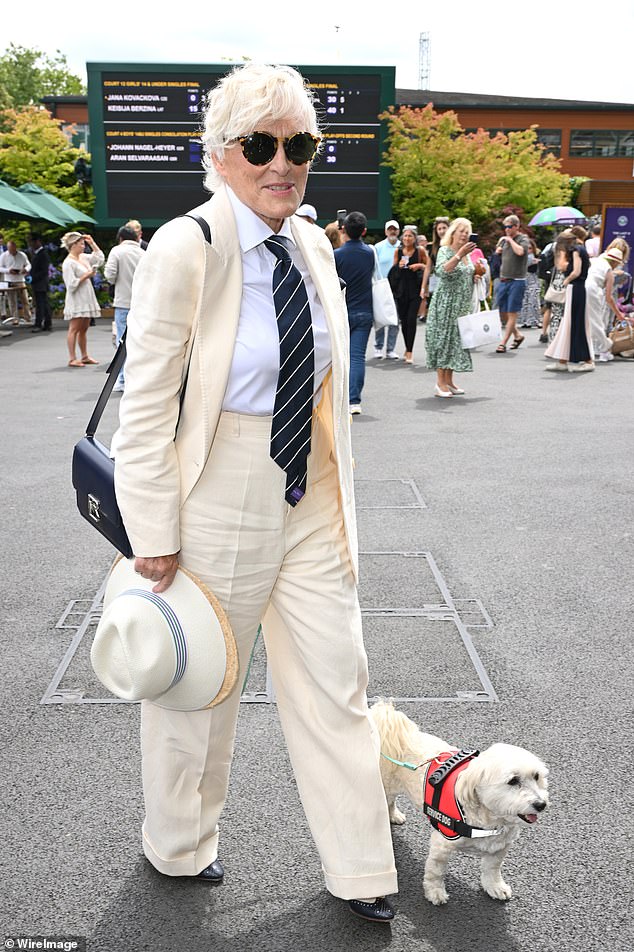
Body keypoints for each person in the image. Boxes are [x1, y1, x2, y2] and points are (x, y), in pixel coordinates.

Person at [112, 62, 398, 924]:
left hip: (307, 484)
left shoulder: (312, 242)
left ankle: (361, 868)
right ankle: (180, 843)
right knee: (200, 683)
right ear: (219, 153)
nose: (283, 162)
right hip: (217, 484)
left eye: (300, 143)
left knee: (336, 680)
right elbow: (147, 405)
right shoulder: (185, 246)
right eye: (260, 144)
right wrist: (151, 530)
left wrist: (337, 486)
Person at [425, 217, 477, 397]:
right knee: (443, 340)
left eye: (467, 232)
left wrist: (476, 275)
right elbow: (441, 271)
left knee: (455, 342)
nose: (464, 235)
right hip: (446, 304)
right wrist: (459, 255)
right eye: (461, 231)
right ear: (453, 233)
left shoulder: (468, 254)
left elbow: (465, 274)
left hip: (461, 304)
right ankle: (440, 383)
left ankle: (449, 380)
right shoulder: (445, 250)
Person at [334, 211, 375, 413]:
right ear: (364, 231)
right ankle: (354, 400)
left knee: (339, 356)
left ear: (344, 229)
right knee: (357, 356)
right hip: (364, 311)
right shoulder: (369, 254)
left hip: (341, 311)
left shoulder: (337, 255)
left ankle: (338, 398)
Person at [544, 229, 593, 372]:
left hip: (575, 288)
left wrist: (567, 279)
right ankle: (563, 359)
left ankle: (586, 360)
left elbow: (575, 271)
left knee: (575, 324)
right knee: (570, 324)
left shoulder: (576, 251)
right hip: (577, 289)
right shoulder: (580, 250)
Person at [104, 225, 145, 391]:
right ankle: (137, 379)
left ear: (120, 238)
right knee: (140, 342)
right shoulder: (143, 253)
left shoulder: (117, 251)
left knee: (123, 342)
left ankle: (122, 379)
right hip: (141, 303)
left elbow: (110, 275)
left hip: (123, 302)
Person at [61, 231, 104, 367]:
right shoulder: (68, 263)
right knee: (74, 327)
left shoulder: (83, 257)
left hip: (86, 296)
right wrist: (87, 275)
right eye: (81, 244)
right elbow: (71, 284)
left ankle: (84, 355)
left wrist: (92, 243)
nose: (83, 246)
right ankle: (72, 358)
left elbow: (99, 259)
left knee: (84, 327)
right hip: (77, 298)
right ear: (73, 245)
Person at [390, 224, 426, 363]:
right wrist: (397, 266)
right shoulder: (398, 252)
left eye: (410, 235)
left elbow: (429, 267)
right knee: (404, 321)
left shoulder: (420, 251)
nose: (407, 238)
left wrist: (419, 266)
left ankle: (410, 351)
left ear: (415, 238)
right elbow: (393, 272)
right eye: (405, 235)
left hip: (415, 289)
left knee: (411, 320)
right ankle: (407, 346)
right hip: (401, 290)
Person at [495, 215, 530, 352]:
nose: (507, 230)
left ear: (516, 226)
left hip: (517, 280)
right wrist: (500, 246)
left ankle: (503, 343)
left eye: (509, 227)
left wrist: (510, 240)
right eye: (505, 227)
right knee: (502, 312)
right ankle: (517, 335)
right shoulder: (503, 240)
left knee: (512, 312)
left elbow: (521, 252)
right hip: (504, 278)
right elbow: (498, 252)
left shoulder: (523, 239)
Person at [585, 247, 624, 361]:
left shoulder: (594, 261)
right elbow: (609, 298)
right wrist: (619, 314)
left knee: (584, 320)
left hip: (579, 287)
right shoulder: (608, 271)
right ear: (615, 262)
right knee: (596, 321)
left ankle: (589, 349)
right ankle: (605, 346)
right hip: (592, 290)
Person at [372, 219, 400, 358]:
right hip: (382, 286)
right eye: (390, 229)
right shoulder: (379, 246)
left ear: (398, 231)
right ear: (386, 231)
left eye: (394, 229)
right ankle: (378, 346)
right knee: (381, 317)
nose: (392, 231)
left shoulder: (402, 246)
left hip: (397, 287)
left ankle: (390, 349)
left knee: (395, 319)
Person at [0, 239, 32, 325]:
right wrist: (8, 270)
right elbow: (0, 267)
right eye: (10, 249)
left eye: (13, 249)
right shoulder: (3, 256)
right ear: (8, 248)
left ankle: (27, 317)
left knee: (25, 299)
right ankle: (15, 319)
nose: (12, 251)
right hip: (9, 280)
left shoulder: (22, 255)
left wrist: (25, 269)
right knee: (12, 301)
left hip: (20, 279)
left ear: (15, 248)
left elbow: (28, 264)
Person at [422, 216, 449, 314]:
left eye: (444, 228)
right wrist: (423, 287)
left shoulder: (454, 245)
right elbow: (428, 268)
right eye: (439, 229)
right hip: (437, 282)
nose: (442, 231)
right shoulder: (433, 247)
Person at [29, 234, 52, 333]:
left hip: (41, 283)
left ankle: (39, 323)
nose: (31, 244)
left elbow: (43, 271)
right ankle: (47, 323)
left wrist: (33, 278)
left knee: (40, 304)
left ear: (37, 241)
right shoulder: (37, 254)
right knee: (44, 304)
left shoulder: (43, 254)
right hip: (38, 283)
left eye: (32, 242)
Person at [518, 239, 542, 328]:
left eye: (530, 248)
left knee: (533, 301)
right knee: (525, 302)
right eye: (526, 248)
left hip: (533, 281)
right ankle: (525, 321)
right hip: (524, 281)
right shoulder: (523, 258)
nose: (529, 250)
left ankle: (534, 320)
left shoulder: (534, 257)